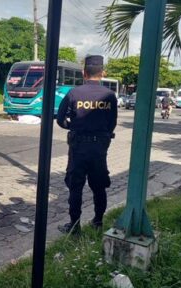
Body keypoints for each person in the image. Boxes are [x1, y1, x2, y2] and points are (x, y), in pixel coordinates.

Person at [56, 55, 117, 234]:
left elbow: (60, 119)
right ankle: (98, 221)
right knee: (99, 186)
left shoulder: (74, 93)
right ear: (102, 73)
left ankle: (74, 226)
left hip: (78, 147)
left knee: (76, 187)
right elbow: (112, 122)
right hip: (99, 149)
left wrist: (73, 126)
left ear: (84, 73)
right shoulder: (109, 95)